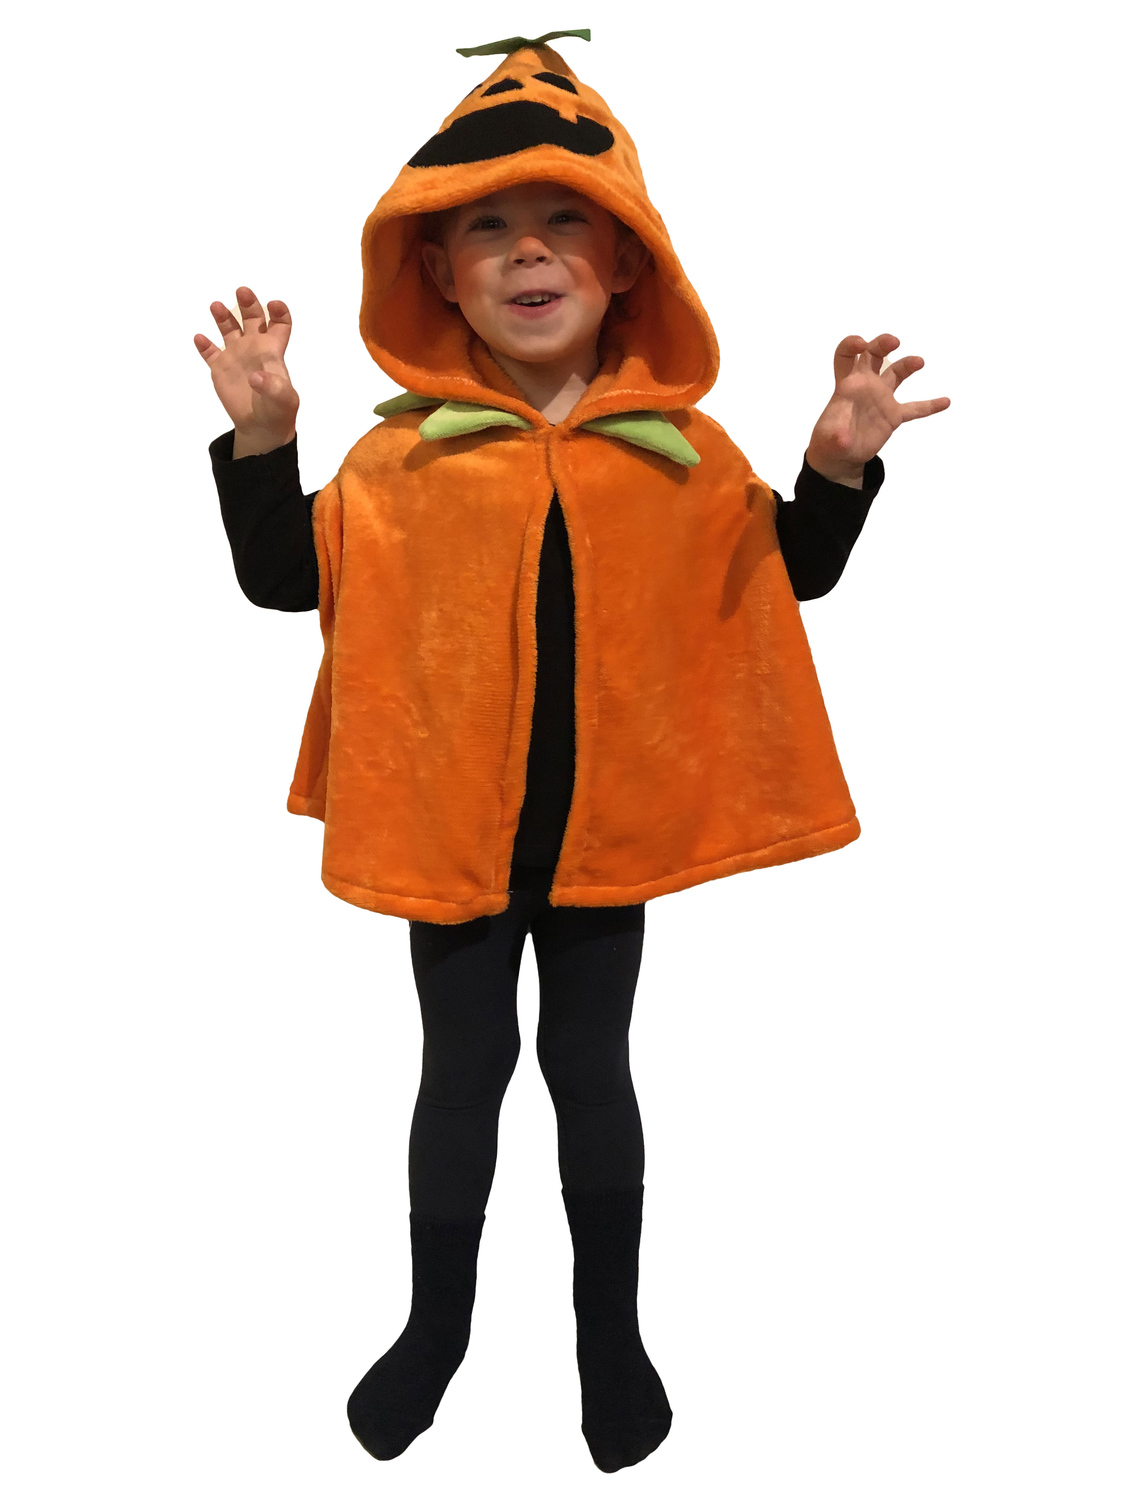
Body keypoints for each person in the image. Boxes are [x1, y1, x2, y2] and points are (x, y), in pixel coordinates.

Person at [195, 32, 949, 1473]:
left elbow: (784, 577)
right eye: (487, 228)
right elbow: (286, 582)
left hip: (610, 833)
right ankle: (436, 1329)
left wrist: (840, 465)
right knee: (462, 1066)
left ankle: (611, 1333)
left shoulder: (685, 454)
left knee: (590, 1067)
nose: (527, 251)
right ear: (435, 271)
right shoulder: (401, 458)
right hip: (448, 834)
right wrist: (264, 444)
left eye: (563, 222)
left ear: (626, 266)